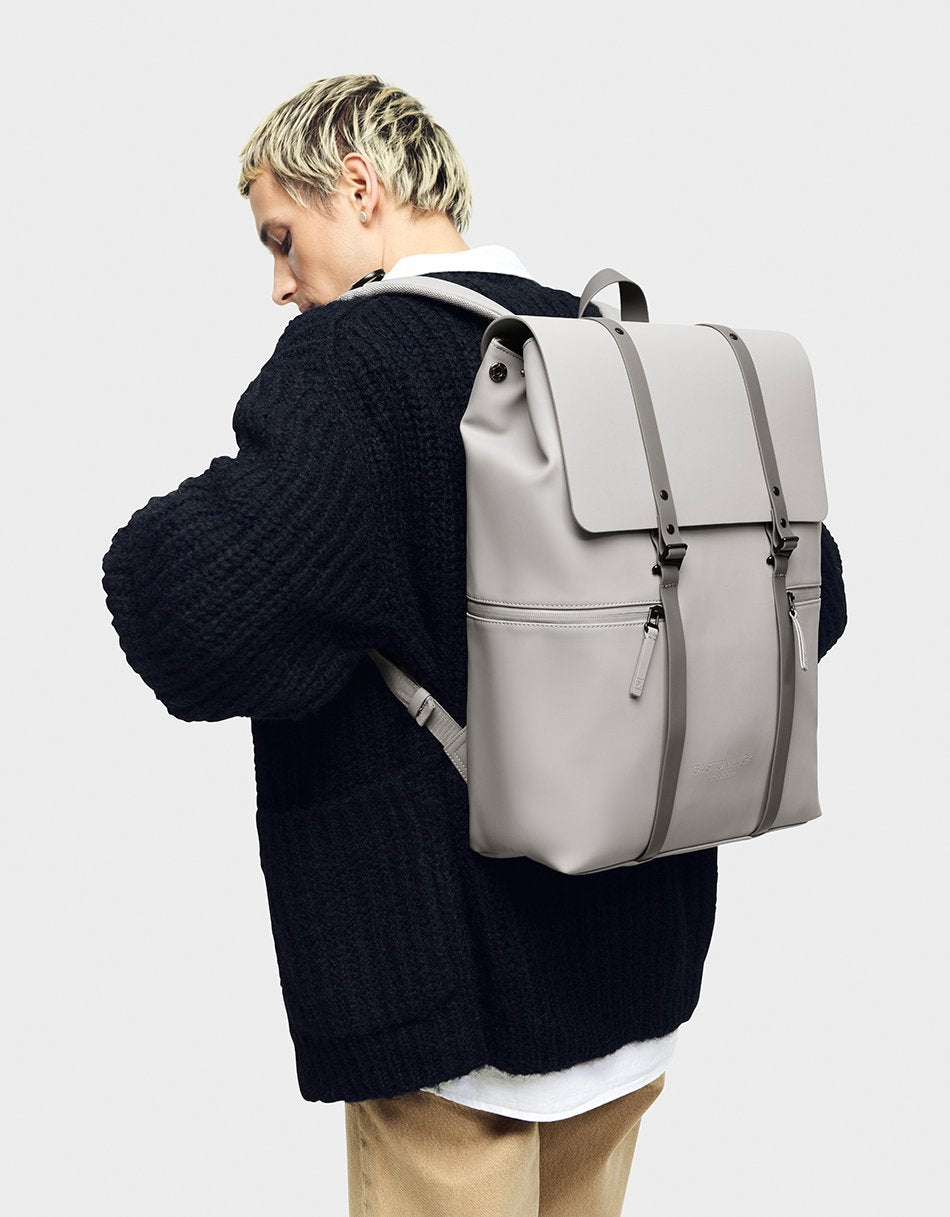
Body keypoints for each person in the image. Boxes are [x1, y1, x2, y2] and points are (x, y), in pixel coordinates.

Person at [101, 73, 849, 1217]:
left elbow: (196, 617)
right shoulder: (610, 343)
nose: (277, 284)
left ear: (358, 187)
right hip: (637, 969)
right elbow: (810, 598)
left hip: (454, 995)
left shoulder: (351, 364)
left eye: (279, 236)